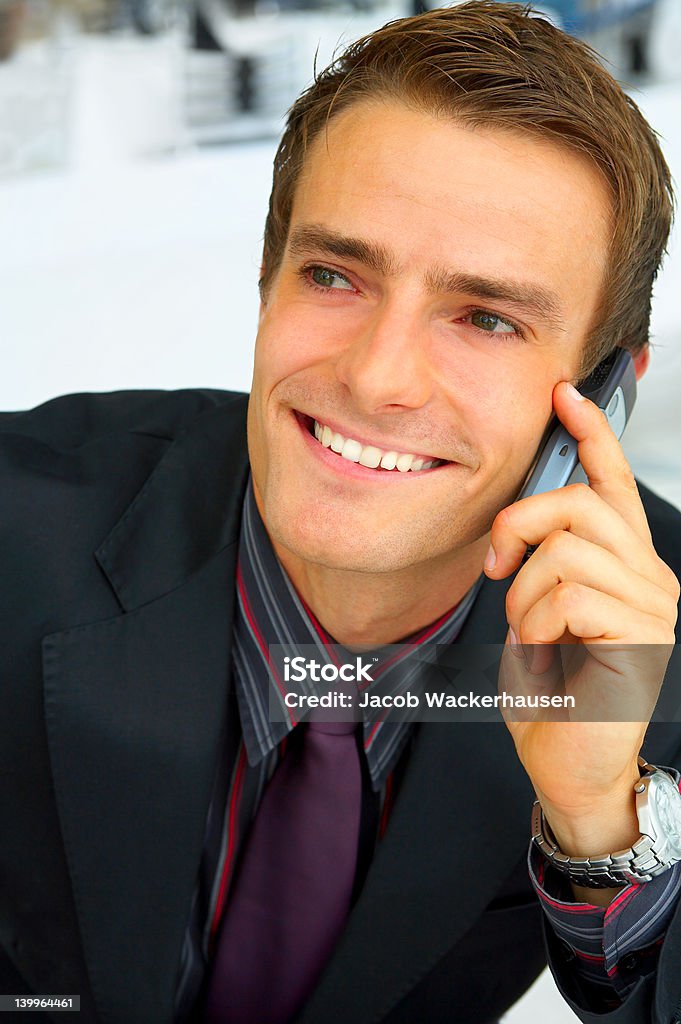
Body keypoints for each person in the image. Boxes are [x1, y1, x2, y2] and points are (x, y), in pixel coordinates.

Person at [2, 2, 681, 1022]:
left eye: (486, 317)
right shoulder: (16, 524)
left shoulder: (652, 639)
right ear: (267, 280)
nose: (377, 376)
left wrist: (598, 816)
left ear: (606, 393)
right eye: (334, 273)